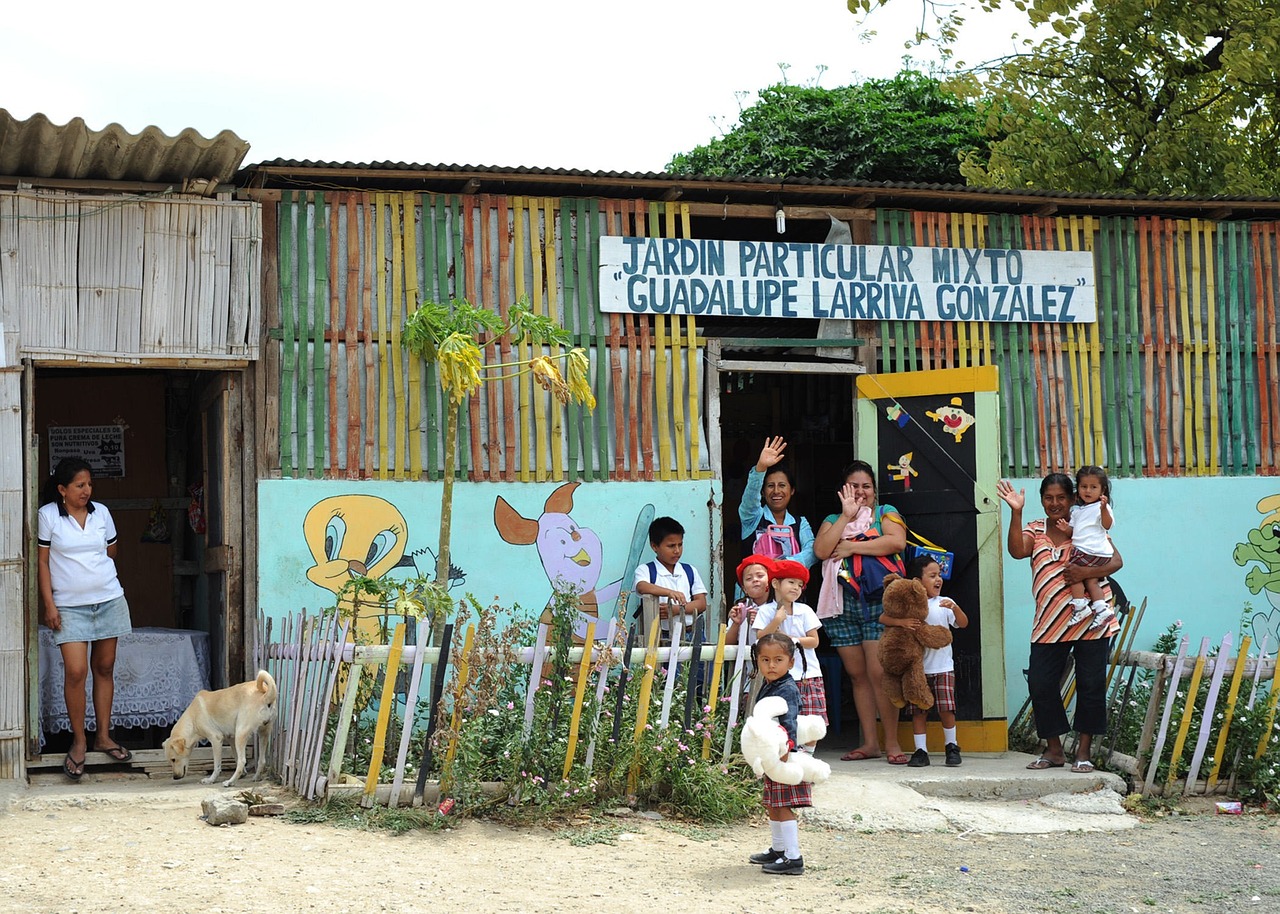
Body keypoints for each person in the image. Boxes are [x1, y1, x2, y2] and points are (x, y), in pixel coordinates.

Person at [997, 474, 1122, 773]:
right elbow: (1017, 550)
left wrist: (1081, 575)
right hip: (1049, 622)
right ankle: (1054, 751)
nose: (1055, 504)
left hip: (1091, 621)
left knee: (1091, 686)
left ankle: (1083, 752)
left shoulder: (1086, 526)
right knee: (1041, 684)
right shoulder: (1035, 529)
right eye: (1048, 498)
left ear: (1073, 498)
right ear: (1042, 500)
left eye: (1061, 498)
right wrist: (1016, 512)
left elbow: (1116, 561)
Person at [37, 457, 134, 780]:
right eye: (79, 486)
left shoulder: (101, 513)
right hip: (69, 607)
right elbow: (43, 563)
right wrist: (49, 605)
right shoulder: (49, 516)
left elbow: (112, 552)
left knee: (104, 668)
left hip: (108, 600)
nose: (86, 491)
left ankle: (103, 736)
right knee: (76, 672)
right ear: (62, 489)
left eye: (89, 484)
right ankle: (79, 742)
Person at [813, 460, 910, 764]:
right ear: (844, 489)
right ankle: (870, 743)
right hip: (841, 604)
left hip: (878, 600)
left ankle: (892, 743)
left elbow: (896, 541)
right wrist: (846, 516)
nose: (861, 491)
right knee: (857, 676)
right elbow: (822, 550)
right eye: (854, 486)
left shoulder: (885, 514)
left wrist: (852, 547)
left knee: (879, 673)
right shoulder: (832, 518)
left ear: (875, 491)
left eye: (866, 486)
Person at [890, 555, 968, 767]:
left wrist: (955, 609)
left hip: (943, 668)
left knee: (946, 709)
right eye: (932, 575)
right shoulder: (909, 606)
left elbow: (963, 623)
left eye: (939, 575)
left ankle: (952, 746)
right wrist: (901, 622)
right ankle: (920, 751)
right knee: (918, 711)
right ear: (917, 581)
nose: (938, 580)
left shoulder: (945, 603)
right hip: (918, 671)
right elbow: (884, 618)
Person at [746, 631, 809, 876]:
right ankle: (779, 849)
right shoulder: (771, 684)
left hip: (784, 754)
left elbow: (790, 720)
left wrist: (787, 747)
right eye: (765, 660)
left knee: (783, 806)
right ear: (758, 661)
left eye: (778, 660)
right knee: (772, 803)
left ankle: (793, 858)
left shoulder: (787, 689)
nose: (771, 665)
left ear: (791, 662)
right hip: (772, 754)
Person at [753, 559, 825, 747]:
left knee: (811, 721)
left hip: (808, 674)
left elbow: (814, 641)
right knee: (784, 721)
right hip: (780, 676)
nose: (796, 588)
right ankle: (787, 759)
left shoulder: (805, 610)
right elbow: (760, 637)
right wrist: (777, 620)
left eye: (800, 584)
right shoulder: (766, 611)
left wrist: (790, 639)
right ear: (776, 583)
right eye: (791, 582)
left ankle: (807, 759)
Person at [738, 436, 816, 569]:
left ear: (792, 490)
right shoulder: (752, 518)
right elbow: (749, 500)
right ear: (762, 492)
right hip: (754, 589)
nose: (776, 491)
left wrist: (781, 564)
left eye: (782, 485)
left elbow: (812, 552)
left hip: (787, 590)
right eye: (770, 486)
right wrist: (760, 468)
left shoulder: (800, 523)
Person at [1057, 465, 1117, 630]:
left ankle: (1080, 606)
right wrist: (1065, 529)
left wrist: (1104, 508)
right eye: (1084, 486)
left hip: (1090, 551)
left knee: (1073, 572)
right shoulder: (1077, 512)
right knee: (1091, 582)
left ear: (1102, 489)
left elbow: (1107, 525)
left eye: (1093, 487)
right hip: (1093, 553)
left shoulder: (1101, 508)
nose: (1088, 491)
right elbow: (1074, 532)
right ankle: (1101, 608)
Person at [633, 516, 708, 643]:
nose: (677, 551)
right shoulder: (646, 570)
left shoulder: (689, 570)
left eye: (680, 545)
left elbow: (701, 603)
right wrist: (669, 592)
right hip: (662, 637)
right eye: (671, 546)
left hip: (691, 633)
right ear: (654, 546)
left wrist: (676, 610)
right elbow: (641, 586)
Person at [726, 555, 773, 647]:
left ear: (770, 581)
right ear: (744, 588)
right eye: (749, 578)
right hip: (748, 661)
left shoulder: (779, 607)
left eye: (760, 576)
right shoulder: (741, 608)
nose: (755, 580)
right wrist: (736, 623)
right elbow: (727, 644)